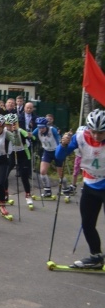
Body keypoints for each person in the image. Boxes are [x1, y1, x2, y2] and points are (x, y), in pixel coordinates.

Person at [56, 110, 105, 268]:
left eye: (101, 132)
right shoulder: (80, 136)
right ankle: (96, 257)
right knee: (87, 224)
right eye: (94, 132)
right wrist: (63, 144)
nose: (97, 136)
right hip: (90, 185)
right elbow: (59, 157)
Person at [32, 116, 63, 197]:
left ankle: (65, 189)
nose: (41, 129)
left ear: (46, 126)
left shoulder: (52, 130)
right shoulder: (37, 130)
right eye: (39, 127)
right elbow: (30, 135)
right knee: (42, 171)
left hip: (56, 151)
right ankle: (47, 190)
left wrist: (62, 147)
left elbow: (59, 139)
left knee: (60, 172)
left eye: (42, 127)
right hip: (47, 152)